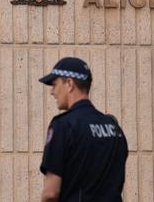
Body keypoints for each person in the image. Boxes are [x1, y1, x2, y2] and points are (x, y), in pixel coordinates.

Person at [38, 57, 129, 202]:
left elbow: (51, 193)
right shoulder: (114, 128)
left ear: (69, 84)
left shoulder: (63, 126)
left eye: (55, 84)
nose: (52, 92)